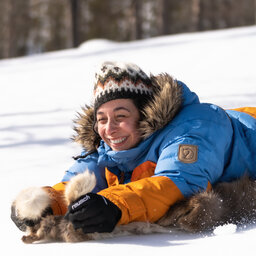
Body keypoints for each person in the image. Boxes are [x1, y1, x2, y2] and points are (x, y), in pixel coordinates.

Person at [11, 61, 256, 234]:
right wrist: (47, 204)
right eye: (102, 119)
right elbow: (81, 179)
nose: (110, 129)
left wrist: (115, 205)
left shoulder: (195, 127)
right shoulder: (107, 146)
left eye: (121, 116)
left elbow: (181, 182)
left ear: (145, 113)